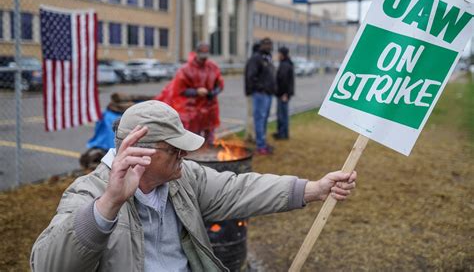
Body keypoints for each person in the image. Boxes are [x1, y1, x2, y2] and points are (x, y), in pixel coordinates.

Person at [31, 100, 357, 272]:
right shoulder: (87, 193)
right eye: (174, 149)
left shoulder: (184, 178)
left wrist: (314, 189)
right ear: (140, 153)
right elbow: (48, 266)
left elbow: (240, 189)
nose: (184, 155)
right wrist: (110, 204)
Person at [156, 42, 224, 145]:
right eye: (202, 53)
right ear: (196, 53)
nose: (204, 58)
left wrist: (213, 93)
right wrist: (196, 92)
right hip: (192, 109)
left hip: (210, 108)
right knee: (193, 138)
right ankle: (193, 155)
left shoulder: (212, 67)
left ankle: (208, 153)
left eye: (206, 53)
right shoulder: (185, 70)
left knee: (209, 135)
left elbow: (219, 84)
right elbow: (178, 90)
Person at [246, 38, 276, 155]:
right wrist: (261, 88)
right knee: (259, 119)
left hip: (268, 94)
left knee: (264, 119)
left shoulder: (267, 58)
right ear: (261, 45)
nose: (269, 47)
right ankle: (260, 145)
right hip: (260, 94)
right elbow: (251, 77)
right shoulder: (256, 58)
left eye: (270, 44)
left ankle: (263, 142)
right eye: (267, 44)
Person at [273, 47, 295, 140]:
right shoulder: (286, 63)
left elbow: (284, 81)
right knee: (283, 114)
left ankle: (282, 134)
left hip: (283, 94)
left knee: (282, 115)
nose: (277, 55)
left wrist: (285, 94)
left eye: (279, 53)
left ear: (282, 54)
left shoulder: (285, 65)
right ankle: (283, 133)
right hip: (284, 94)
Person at [243, 42, 261, 143]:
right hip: (252, 93)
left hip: (250, 92)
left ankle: (249, 134)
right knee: (252, 115)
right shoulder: (254, 61)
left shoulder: (251, 60)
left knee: (251, 115)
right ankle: (252, 135)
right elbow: (251, 78)